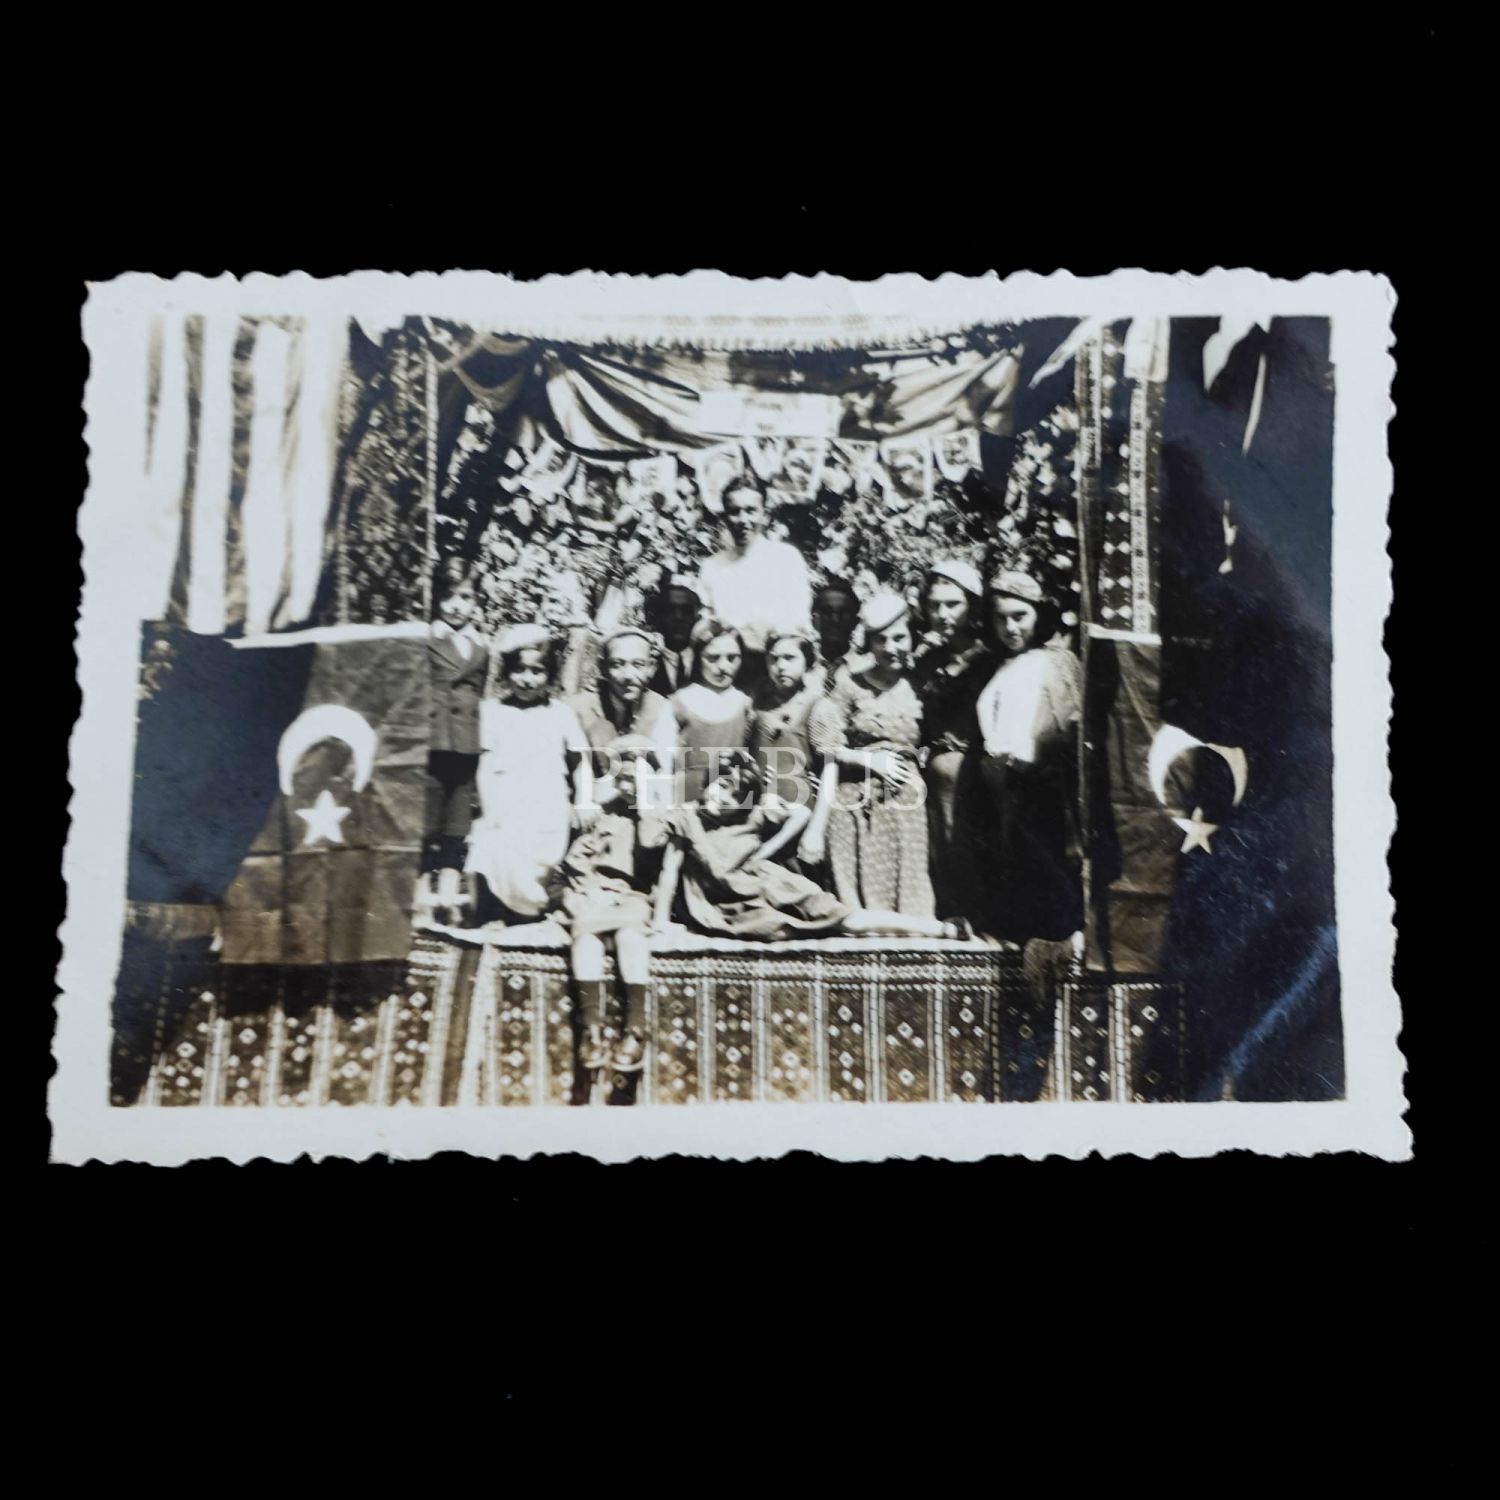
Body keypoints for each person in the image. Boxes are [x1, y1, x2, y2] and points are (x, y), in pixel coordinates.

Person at [652, 756, 963, 942]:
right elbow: (669, 871)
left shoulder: (753, 812)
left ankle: (939, 929)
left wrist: (764, 852)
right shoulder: (686, 817)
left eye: (734, 796)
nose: (723, 798)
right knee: (786, 930)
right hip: (733, 904)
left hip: (771, 884)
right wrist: (661, 922)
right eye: (721, 786)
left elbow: (800, 813)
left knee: (846, 919)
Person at [971, 569, 1083, 946]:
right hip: (1003, 785)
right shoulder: (1000, 664)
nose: (1010, 627)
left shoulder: (1058, 661)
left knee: (1045, 871)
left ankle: (1056, 950)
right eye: (1000, 618)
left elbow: (1069, 724)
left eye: (1020, 616)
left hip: (1043, 785)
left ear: (1039, 614)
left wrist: (1034, 756)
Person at [810, 592, 935, 917]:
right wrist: (869, 759)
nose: (891, 647)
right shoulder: (848, 686)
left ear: (912, 637)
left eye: (899, 638)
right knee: (853, 906)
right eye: (881, 639)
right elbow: (826, 745)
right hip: (853, 797)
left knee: (909, 900)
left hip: (905, 802)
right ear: (870, 643)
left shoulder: (922, 687)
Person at [464, 624, 594, 923]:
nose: (527, 679)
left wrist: (585, 800)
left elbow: (581, 760)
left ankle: (529, 910)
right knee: (489, 844)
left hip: (548, 805)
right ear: (507, 671)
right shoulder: (492, 711)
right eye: (519, 670)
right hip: (505, 802)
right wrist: (490, 811)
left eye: (537, 671)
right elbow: (486, 764)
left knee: (531, 864)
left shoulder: (560, 713)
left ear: (550, 674)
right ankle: (487, 916)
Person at [548, 750, 662, 1075]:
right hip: (593, 891)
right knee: (586, 934)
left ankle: (636, 1030)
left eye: (635, 780)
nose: (627, 786)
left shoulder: (657, 816)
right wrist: (586, 889)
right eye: (622, 778)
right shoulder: (601, 814)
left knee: (630, 936)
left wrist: (647, 805)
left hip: (633, 895)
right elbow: (575, 861)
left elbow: (652, 851)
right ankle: (592, 1029)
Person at [912, 559, 993, 928]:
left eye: (952, 604)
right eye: (934, 606)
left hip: (976, 770)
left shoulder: (989, 658)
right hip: (934, 770)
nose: (943, 614)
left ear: (972, 606)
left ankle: (980, 917)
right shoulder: (927, 660)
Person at [421, 563, 490, 924]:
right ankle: (420, 897)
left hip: (466, 746)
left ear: (476, 601)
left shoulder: (481, 645)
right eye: (448, 596)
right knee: (426, 824)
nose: (456, 605)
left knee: (456, 826)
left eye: (465, 597)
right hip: (432, 743)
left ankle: (447, 896)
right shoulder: (425, 638)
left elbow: (481, 694)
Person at [695, 477, 813, 681]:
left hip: (778, 669)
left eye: (751, 510)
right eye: (735, 511)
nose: (743, 520)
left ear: (765, 515)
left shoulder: (786, 558)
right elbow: (707, 625)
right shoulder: (712, 567)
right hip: (730, 671)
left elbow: (798, 618)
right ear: (725, 517)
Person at [749, 629, 834, 871]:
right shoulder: (757, 706)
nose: (780, 666)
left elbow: (830, 770)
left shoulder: (818, 707)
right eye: (774, 659)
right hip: (759, 818)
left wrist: (816, 829)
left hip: (800, 821)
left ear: (807, 662)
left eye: (790, 658)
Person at [569, 627, 679, 807]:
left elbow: (668, 774)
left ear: (651, 667)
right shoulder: (578, 709)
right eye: (617, 664)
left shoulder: (662, 708)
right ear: (602, 667)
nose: (628, 675)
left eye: (638, 664)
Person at [668, 618, 754, 806]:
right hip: (684, 799)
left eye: (732, 658)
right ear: (698, 657)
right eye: (713, 658)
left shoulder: (746, 704)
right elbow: (663, 761)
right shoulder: (678, 702)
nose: (723, 667)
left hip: (728, 803)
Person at [647, 574, 702, 697]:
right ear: (656, 618)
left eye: (686, 610)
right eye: (669, 610)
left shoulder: (708, 660)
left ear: (697, 618)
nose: (679, 617)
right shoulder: (645, 662)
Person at [811, 578, 862, 686]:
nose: (835, 619)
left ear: (855, 622)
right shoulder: (801, 665)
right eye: (827, 612)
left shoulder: (866, 669)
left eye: (844, 613)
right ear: (814, 621)